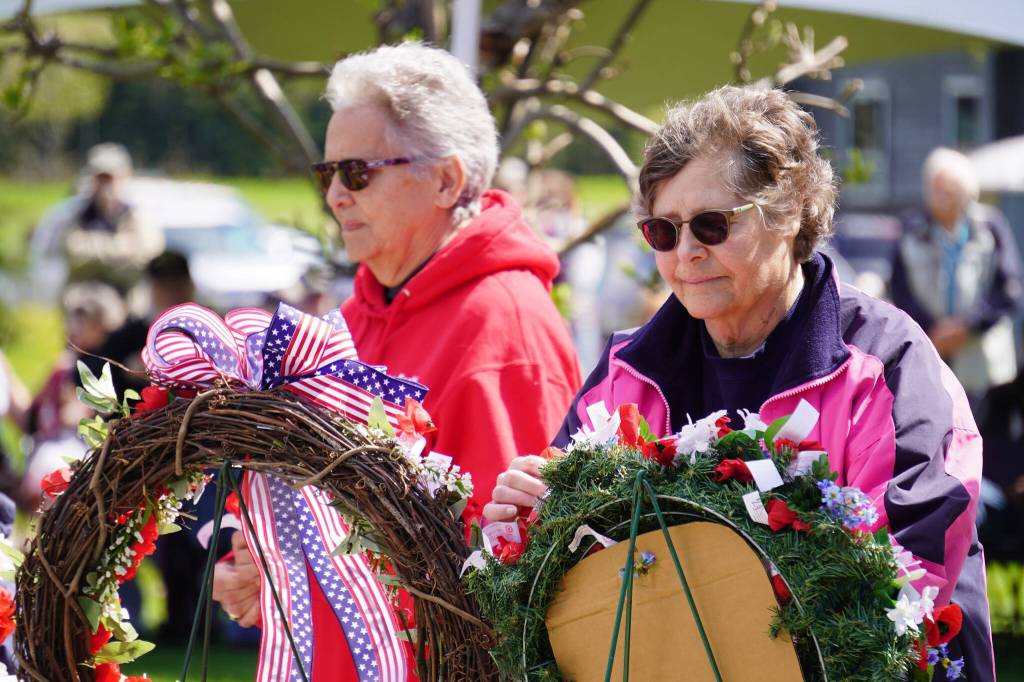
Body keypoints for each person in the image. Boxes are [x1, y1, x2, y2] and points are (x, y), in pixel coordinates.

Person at [485, 85, 993, 680]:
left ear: (791, 211)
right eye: (663, 232)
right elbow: (568, 560)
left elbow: (909, 572)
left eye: (712, 224)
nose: (687, 252)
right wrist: (525, 518)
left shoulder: (886, 363)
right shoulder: (624, 372)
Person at [213, 40, 581, 661]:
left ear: (445, 180)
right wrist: (259, 566)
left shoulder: (506, 324)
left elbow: (515, 577)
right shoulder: (349, 319)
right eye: (326, 174)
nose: (335, 196)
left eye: (357, 172)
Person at [890, 147, 1023, 403]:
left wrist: (968, 326)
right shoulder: (911, 228)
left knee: (982, 432)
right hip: (930, 346)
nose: (940, 196)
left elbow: (1009, 289)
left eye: (948, 189)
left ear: (965, 191)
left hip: (980, 358)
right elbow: (899, 288)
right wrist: (932, 328)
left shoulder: (990, 226)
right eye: (935, 188)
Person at [62, 143, 164, 292]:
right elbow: (73, 253)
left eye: (109, 177)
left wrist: (93, 250)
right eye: (100, 178)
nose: (104, 184)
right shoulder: (77, 215)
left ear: (124, 176)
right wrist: (122, 247)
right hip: (85, 304)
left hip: (129, 307)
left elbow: (148, 254)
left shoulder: (137, 215)